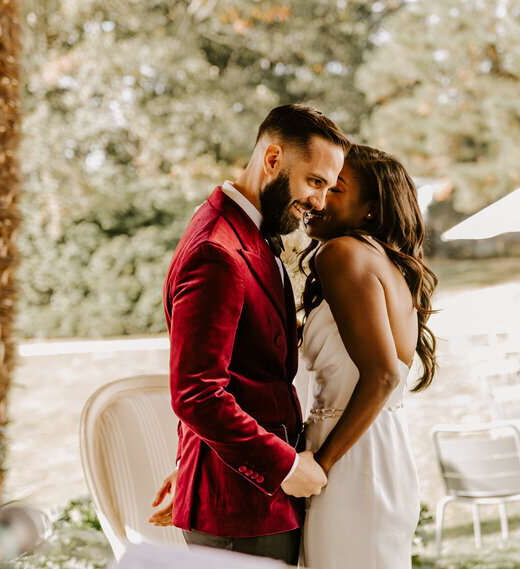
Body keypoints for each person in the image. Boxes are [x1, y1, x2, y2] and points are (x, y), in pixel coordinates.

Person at [158, 104, 351, 564]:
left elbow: (251, 361)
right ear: (272, 159)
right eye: (315, 182)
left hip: (252, 498)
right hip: (240, 510)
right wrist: (283, 466)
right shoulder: (216, 251)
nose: (320, 202)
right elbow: (196, 393)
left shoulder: (250, 232)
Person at [297, 144, 437, 569]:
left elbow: (381, 377)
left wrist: (320, 465)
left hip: (349, 462)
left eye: (333, 189)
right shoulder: (386, 263)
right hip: (380, 453)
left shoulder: (341, 253)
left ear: (369, 211)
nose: (314, 199)